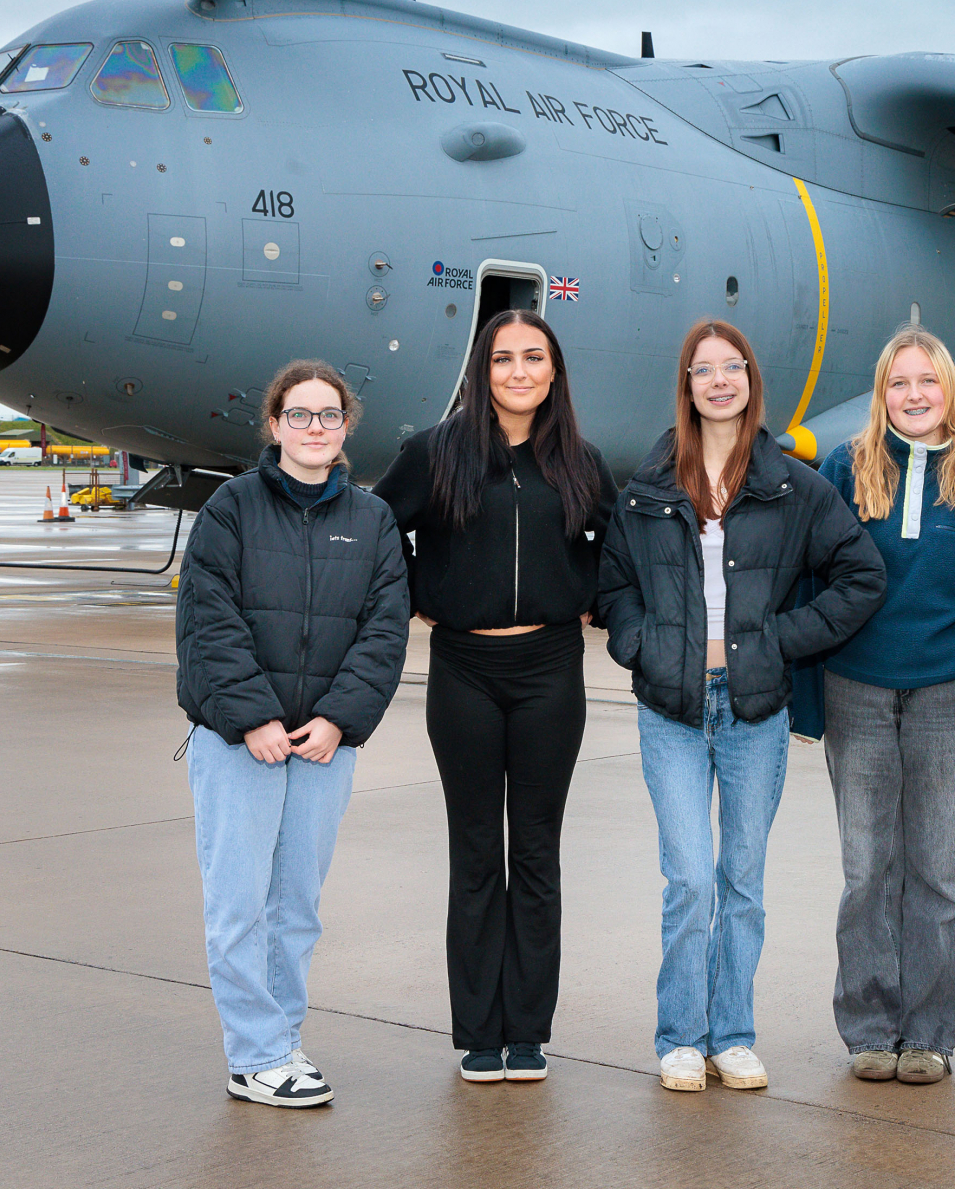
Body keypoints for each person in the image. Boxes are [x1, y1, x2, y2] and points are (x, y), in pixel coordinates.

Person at [598, 319, 886, 1093]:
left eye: (733, 368)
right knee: (690, 876)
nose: (719, 380)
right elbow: (613, 582)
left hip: (754, 710)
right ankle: (680, 1037)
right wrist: (641, 642)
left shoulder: (793, 484)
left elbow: (861, 574)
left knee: (743, 879)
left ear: (752, 381)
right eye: (703, 370)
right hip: (672, 710)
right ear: (686, 386)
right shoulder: (650, 484)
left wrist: (777, 639)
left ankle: (732, 1035)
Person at [372, 310, 617, 1084]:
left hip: (551, 669)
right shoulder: (433, 453)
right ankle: (480, 1031)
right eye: (503, 358)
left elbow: (624, 549)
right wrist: (418, 593)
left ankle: (529, 1032)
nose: (518, 371)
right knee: (477, 851)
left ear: (554, 372)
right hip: (465, 672)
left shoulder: (580, 460)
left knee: (536, 853)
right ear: (483, 370)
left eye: (533, 358)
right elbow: (379, 529)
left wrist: (592, 599)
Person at [794, 324, 955, 1086]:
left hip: (947, 695)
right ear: (881, 393)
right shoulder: (844, 467)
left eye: (928, 381)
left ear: (949, 389)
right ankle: (869, 1026)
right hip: (855, 689)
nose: (915, 395)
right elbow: (810, 583)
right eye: (900, 383)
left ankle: (929, 1032)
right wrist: (807, 702)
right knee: (867, 869)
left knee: (937, 870)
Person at [176, 360, 409, 1107]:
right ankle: (255, 1053)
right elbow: (208, 621)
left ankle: (279, 1041)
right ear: (274, 425)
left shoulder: (371, 520)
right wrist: (254, 719)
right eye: (300, 415)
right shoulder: (231, 509)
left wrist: (338, 719)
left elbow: (384, 630)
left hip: (321, 746)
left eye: (329, 416)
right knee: (239, 904)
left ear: (346, 428)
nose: (315, 429)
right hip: (239, 741)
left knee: (296, 907)